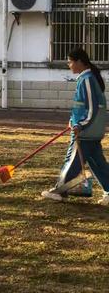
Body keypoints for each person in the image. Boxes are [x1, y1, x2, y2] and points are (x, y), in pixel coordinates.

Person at [42, 47, 109, 204]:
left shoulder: (87, 79)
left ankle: (60, 191)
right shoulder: (89, 78)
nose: (68, 65)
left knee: (72, 161)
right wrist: (73, 120)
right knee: (98, 163)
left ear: (79, 61)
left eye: (70, 61)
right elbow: (84, 107)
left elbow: (92, 108)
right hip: (91, 130)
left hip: (85, 131)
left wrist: (80, 125)